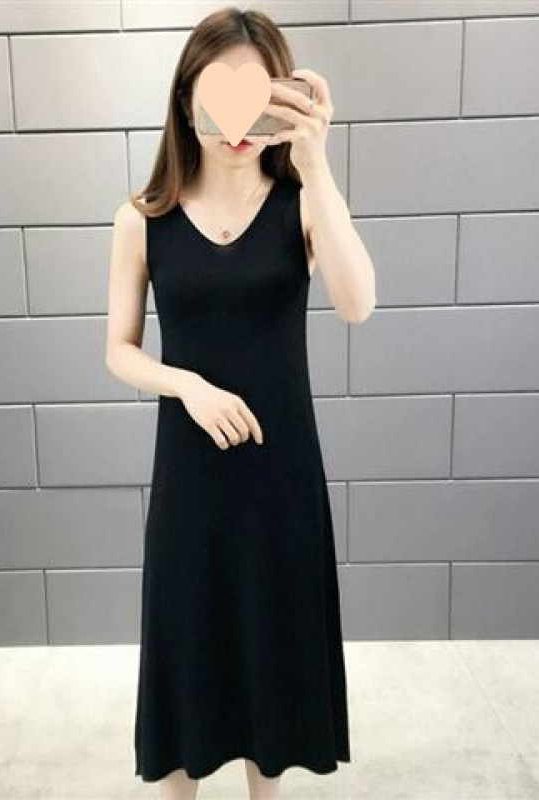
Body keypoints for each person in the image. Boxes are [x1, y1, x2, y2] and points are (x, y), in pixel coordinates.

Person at [106, 7, 377, 800]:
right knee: (186, 652)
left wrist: (317, 164)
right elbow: (119, 349)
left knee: (274, 660)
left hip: (279, 479)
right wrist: (185, 384)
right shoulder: (142, 220)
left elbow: (358, 303)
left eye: (257, 100)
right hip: (190, 481)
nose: (236, 126)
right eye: (220, 97)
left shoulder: (300, 205)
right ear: (187, 97)